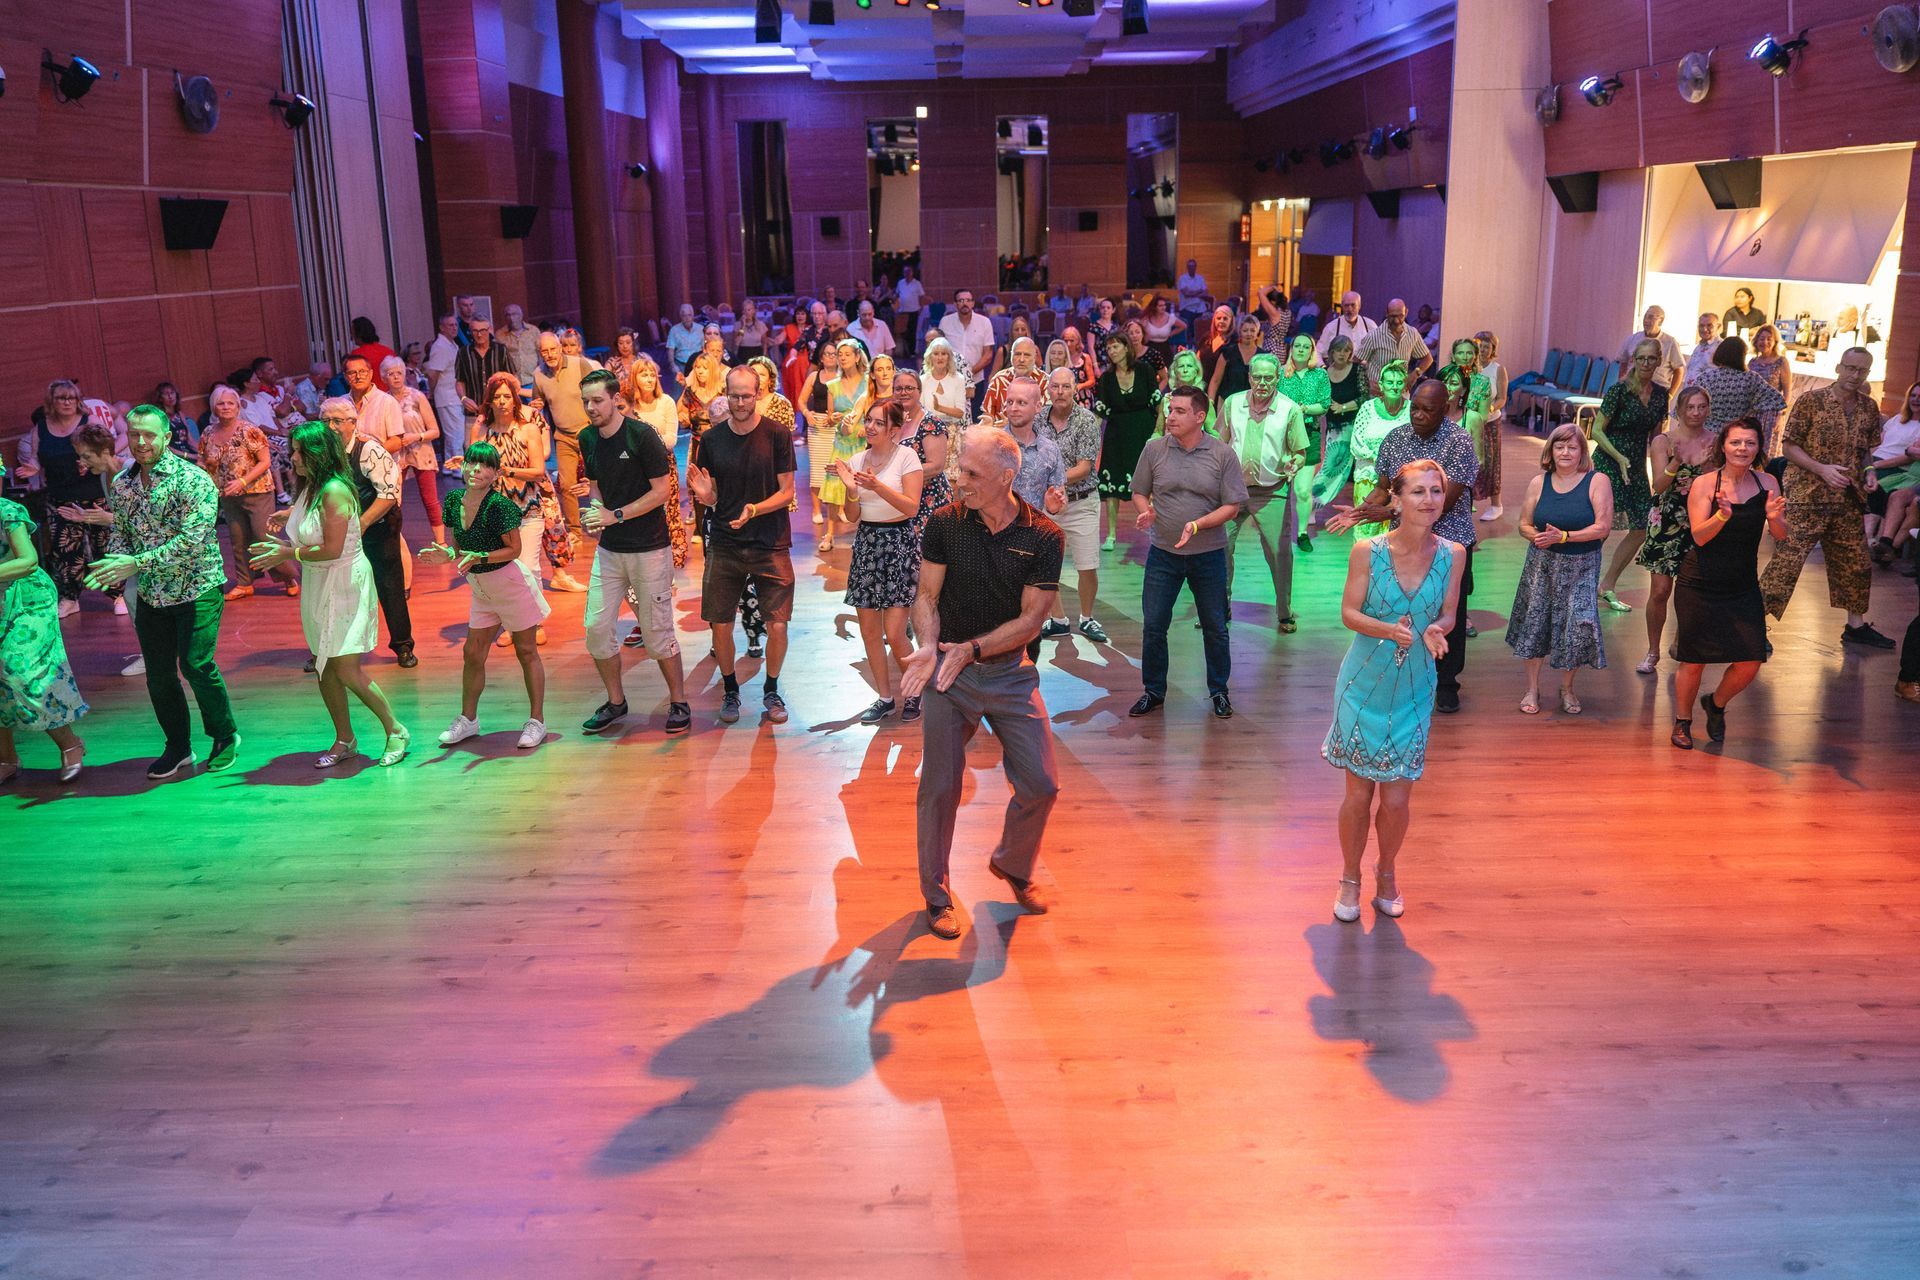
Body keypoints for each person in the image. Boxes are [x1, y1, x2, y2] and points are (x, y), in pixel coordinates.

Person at [902, 426, 1064, 941]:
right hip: (948, 673)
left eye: (971, 472)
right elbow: (926, 597)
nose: (959, 479)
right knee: (939, 788)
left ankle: (1013, 864)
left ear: (1006, 476)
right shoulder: (945, 523)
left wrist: (973, 648)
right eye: (959, 469)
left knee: (1041, 783)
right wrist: (929, 645)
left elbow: (1031, 621)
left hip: (1009, 672)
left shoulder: (1043, 536)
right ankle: (936, 896)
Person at [1323, 459, 1464, 922]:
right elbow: (1349, 613)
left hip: (1415, 687)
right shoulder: (1367, 550)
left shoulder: (1453, 554)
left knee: (1398, 799)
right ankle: (1349, 877)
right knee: (1358, 796)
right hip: (1363, 685)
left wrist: (1438, 629)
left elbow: (1448, 613)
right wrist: (1389, 630)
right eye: (1418, 492)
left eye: (1436, 491)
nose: (1429, 500)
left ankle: (1386, 872)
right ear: (1397, 500)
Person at [87, 405, 240, 779]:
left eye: (149, 434)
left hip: (197, 587)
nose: (141, 442)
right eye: (134, 434)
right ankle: (178, 747)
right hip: (152, 593)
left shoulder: (193, 480)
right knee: (158, 675)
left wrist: (135, 563)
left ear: (167, 437)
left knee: (195, 664)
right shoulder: (123, 484)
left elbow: (191, 541)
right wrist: (113, 563)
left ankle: (224, 735)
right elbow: (122, 531)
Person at [247, 423, 408, 767]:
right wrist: (288, 528)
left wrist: (288, 554)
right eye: (293, 450)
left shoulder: (334, 490)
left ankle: (396, 729)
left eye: (299, 452)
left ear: (318, 454)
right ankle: (344, 738)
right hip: (319, 582)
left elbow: (333, 549)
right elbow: (314, 534)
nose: (293, 458)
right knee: (325, 668)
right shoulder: (311, 487)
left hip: (344, 583)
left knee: (346, 669)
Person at [1328, 379, 1478, 713]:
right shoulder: (1396, 438)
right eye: (1415, 409)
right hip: (1406, 541)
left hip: (1449, 539)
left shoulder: (1458, 441)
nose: (1419, 416)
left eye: (1428, 410)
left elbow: (1443, 502)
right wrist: (1360, 511)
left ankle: (1447, 683)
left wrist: (1388, 512)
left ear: (1445, 409)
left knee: (1448, 612)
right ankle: (1404, 672)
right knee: (1407, 606)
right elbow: (1384, 489)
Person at [571, 371, 690, 738]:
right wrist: (595, 513)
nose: (591, 408)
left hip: (650, 549)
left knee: (657, 634)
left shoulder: (642, 436)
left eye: (597, 400)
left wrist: (616, 515)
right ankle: (616, 702)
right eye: (586, 401)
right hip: (610, 551)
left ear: (615, 399)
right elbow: (595, 487)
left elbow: (662, 491)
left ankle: (679, 702)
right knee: (595, 629)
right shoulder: (587, 437)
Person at [1760, 347, 1895, 648]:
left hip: (1847, 496)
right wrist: (1820, 468)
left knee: (1855, 562)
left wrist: (1869, 470)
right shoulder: (1812, 401)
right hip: (1808, 494)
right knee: (1788, 561)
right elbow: (1789, 446)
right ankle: (1755, 623)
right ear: (1838, 367)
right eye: (1850, 368)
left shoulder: (1868, 407)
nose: (1854, 375)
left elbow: (1865, 450)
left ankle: (1855, 625)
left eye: (1861, 370)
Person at [686, 366, 799, 726]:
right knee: (719, 623)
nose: (739, 402)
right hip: (725, 541)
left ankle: (772, 689)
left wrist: (754, 510)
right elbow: (712, 495)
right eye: (733, 395)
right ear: (726, 393)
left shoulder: (777, 434)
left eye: (746, 396)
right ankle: (731, 689)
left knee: (777, 625)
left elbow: (787, 492)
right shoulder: (712, 440)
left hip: (770, 541)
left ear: (758, 394)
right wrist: (708, 497)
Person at [1130, 384, 1251, 720]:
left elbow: (1232, 506)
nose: (1171, 417)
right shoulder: (1154, 449)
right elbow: (1139, 491)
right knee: (1154, 625)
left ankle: (1219, 691)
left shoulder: (1222, 454)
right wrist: (1145, 511)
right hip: (1163, 553)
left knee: (1215, 626)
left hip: (1209, 555)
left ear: (1200, 417)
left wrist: (1197, 525)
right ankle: (1153, 691)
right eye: (1170, 410)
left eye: (1180, 411)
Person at [421, 443, 549, 750]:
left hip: (510, 585)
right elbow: (457, 546)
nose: (476, 470)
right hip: (481, 588)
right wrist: (447, 555)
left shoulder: (500, 506)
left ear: (495, 474)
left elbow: (514, 550)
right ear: (462, 466)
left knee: (526, 651)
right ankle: (468, 720)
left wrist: (481, 557)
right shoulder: (454, 500)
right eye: (471, 463)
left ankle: (537, 722)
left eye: (485, 466)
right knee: (473, 653)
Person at [1670, 420, 1788, 749]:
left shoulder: (1768, 482)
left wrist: (1774, 517)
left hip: (1742, 583)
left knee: (1751, 659)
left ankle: (1716, 703)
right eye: (1736, 442)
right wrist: (1722, 515)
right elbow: (1699, 537)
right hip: (1700, 583)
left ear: (1759, 447)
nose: (1742, 449)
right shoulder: (1706, 484)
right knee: (1693, 659)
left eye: (1750, 443)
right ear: (1723, 446)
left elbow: (1781, 536)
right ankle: (1682, 722)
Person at [1507, 423, 1612, 715]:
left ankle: (1567, 687)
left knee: (1577, 625)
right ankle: (1532, 688)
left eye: (1572, 447)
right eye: (1560, 446)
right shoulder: (1539, 482)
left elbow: (1602, 527)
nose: (1565, 452)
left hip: (1582, 565)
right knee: (1535, 624)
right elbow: (1524, 524)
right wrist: (1538, 537)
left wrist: (1565, 537)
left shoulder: (1597, 481)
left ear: (1582, 452)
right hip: (1543, 564)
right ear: (1551, 451)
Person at [0, 453, 88, 784]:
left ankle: (71, 744)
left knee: (23, 671)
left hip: (28, 599)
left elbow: (28, 561)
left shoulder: (8, 512)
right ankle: (6, 757)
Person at [836, 399, 925, 724]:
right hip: (867, 544)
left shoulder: (907, 457)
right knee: (870, 631)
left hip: (899, 543)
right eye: (869, 421)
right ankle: (885, 698)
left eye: (878, 422)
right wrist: (852, 490)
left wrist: (877, 485)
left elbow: (911, 507)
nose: (870, 427)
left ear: (894, 430)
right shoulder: (857, 460)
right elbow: (852, 516)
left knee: (895, 632)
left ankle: (915, 692)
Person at [316, 397, 416, 669]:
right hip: (339, 530)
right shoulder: (320, 452)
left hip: (378, 526)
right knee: (334, 589)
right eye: (326, 421)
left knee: (389, 585)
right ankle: (328, 649)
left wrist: (361, 524)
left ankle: (403, 646)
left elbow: (388, 494)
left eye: (337, 421)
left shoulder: (370, 450)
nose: (331, 427)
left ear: (353, 423)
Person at [17, 381, 124, 618]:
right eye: (61, 398)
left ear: (78, 401)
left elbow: (107, 448)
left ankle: (118, 594)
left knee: (104, 547)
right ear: (52, 402)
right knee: (65, 551)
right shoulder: (41, 428)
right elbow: (35, 458)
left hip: (94, 494)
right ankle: (70, 598)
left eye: (71, 398)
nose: (67, 403)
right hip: (60, 498)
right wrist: (33, 467)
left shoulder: (90, 421)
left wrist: (95, 462)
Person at [1219, 353, 1308, 635]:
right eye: (1257, 377)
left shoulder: (1290, 409)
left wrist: (1295, 462)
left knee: (1279, 553)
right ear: (1249, 377)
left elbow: (1300, 452)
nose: (1262, 383)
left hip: (1272, 491)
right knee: (1220, 547)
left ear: (1278, 378)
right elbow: (1219, 443)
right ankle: (1219, 608)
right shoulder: (1233, 403)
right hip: (1232, 490)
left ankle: (1285, 612)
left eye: (1269, 377)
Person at [1633, 384, 1718, 675]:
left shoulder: (1715, 442)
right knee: (1660, 591)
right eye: (1690, 407)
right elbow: (1658, 485)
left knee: (1691, 591)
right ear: (1679, 410)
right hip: (1667, 519)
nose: (1696, 413)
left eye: (1702, 407)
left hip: (1700, 521)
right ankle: (1652, 650)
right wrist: (1677, 461)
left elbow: (1716, 485)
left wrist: (1709, 465)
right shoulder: (1664, 441)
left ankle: (1682, 643)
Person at [465, 370, 553, 643]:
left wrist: (506, 470)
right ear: (489, 402)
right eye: (497, 397)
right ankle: (511, 624)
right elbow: (474, 471)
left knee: (528, 566)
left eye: (507, 396)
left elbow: (538, 471)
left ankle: (534, 623)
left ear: (515, 400)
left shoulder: (528, 429)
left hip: (527, 508)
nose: (502, 401)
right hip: (495, 514)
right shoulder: (482, 432)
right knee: (503, 570)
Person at [198, 385, 299, 601]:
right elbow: (203, 460)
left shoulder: (249, 430)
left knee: (263, 536)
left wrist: (242, 481)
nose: (226, 407)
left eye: (230, 403)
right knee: (239, 539)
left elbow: (265, 462)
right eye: (221, 403)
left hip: (257, 491)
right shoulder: (208, 432)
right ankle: (245, 583)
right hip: (228, 494)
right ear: (214, 407)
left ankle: (288, 577)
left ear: (237, 407)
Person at [1590, 338, 1667, 613]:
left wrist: (1661, 473)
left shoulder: (1661, 395)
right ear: (1634, 360)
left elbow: (1657, 438)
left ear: (1659, 361)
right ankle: (1582, 584)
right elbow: (1596, 430)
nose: (1645, 363)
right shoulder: (1619, 390)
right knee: (1600, 527)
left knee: (1640, 527)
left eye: (1651, 358)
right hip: (1609, 462)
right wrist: (1618, 457)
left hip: (1635, 466)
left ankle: (1607, 584)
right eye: (1641, 358)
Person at [1036, 366, 1107, 644]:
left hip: (1081, 500)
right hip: (1046, 503)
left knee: (1087, 565)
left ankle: (1087, 618)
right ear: (1048, 389)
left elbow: (1085, 467)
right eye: (1055, 386)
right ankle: (1058, 619)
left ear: (1075, 389)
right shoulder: (1038, 418)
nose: (1060, 392)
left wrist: (1053, 479)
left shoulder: (1086, 420)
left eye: (1066, 386)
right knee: (1046, 564)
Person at [532, 330, 595, 589]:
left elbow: (598, 392)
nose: (549, 355)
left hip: (589, 431)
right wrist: (536, 406)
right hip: (563, 436)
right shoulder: (539, 375)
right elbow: (538, 402)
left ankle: (609, 521)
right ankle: (575, 531)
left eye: (552, 349)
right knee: (567, 484)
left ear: (560, 348)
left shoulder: (580, 364)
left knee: (599, 480)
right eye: (544, 351)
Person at [1093, 333, 1165, 551]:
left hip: (1143, 432)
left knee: (1149, 483)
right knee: (1111, 484)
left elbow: (1158, 403)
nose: (1112, 351)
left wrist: (1158, 431)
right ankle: (1111, 534)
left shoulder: (1145, 370)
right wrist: (1089, 436)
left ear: (1126, 347)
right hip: (1116, 434)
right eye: (1109, 348)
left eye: (1115, 346)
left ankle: (1155, 530)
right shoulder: (1106, 378)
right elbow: (1099, 412)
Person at [377, 355, 445, 547]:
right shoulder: (383, 401)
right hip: (397, 454)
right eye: (391, 374)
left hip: (421, 451)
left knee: (430, 498)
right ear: (384, 377)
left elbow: (435, 431)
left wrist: (416, 436)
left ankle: (441, 542)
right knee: (393, 498)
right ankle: (393, 541)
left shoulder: (417, 397)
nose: (396, 377)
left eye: (399, 373)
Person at [1342, 360, 1413, 531]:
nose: (1394, 387)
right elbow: (1356, 443)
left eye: (1399, 382)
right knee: (1365, 529)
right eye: (1390, 382)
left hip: (1400, 481)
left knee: (1394, 532)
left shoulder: (1411, 409)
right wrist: (1378, 459)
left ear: (1405, 385)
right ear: (1381, 385)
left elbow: (1414, 444)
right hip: (1368, 477)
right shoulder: (1368, 408)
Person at [1277, 333, 1332, 543]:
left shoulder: (1319, 375)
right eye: (1297, 346)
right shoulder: (1281, 373)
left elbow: (1324, 404)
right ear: (1291, 349)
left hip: (1309, 434)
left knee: (1302, 490)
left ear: (1311, 351)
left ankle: (1302, 533)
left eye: (1305, 346)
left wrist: (1304, 409)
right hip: (1282, 435)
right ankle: (1278, 532)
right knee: (1280, 490)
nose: (1300, 349)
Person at [1313, 336, 1368, 509]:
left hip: (1356, 427)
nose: (1342, 354)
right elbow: (1321, 400)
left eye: (1346, 351)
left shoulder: (1357, 370)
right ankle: (1313, 501)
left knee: (1361, 471)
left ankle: (1363, 509)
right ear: (1331, 352)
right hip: (1334, 428)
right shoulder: (1324, 374)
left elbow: (1365, 397)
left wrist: (1343, 407)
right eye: (1338, 350)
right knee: (1331, 468)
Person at [1690, 336, 1787, 435]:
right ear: (1742, 356)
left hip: (1708, 432)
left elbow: (1690, 401)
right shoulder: (1751, 378)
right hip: (1737, 432)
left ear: (1720, 353)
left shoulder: (1706, 377)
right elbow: (1777, 400)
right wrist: (1752, 411)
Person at [938, 290, 998, 417]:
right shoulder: (945, 322)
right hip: (950, 380)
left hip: (976, 380)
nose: (964, 303)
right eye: (960, 300)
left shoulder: (984, 322)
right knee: (951, 418)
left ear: (973, 303)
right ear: (955, 304)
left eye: (968, 300)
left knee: (975, 419)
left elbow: (988, 355)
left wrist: (968, 372)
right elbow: (940, 350)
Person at [1354, 298, 1433, 393]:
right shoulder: (1374, 336)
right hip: (1378, 395)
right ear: (1386, 313)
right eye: (1392, 316)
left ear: (1406, 313)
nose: (1396, 321)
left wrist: (1415, 374)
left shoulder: (1412, 333)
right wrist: (1366, 382)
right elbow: (1354, 363)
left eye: (1400, 316)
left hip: (1401, 394)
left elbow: (1428, 359)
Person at [424, 314, 466, 470]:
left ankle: (449, 467)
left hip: (453, 396)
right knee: (457, 434)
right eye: (450, 325)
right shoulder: (440, 347)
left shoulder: (451, 344)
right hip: (446, 396)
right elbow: (433, 374)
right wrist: (431, 392)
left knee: (453, 435)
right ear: (442, 328)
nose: (454, 328)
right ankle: (457, 468)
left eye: (455, 325)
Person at [1617, 306, 1684, 391]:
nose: (1646, 320)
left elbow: (1679, 371)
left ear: (1661, 321)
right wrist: (1621, 387)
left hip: (1658, 391)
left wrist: (1670, 395)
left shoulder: (1670, 342)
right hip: (1632, 389)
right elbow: (1623, 364)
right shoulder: (1632, 339)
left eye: (1651, 317)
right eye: (1645, 316)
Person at [981, 336, 1044, 422]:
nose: (1021, 359)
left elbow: (1046, 421)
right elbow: (987, 416)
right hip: (1000, 430)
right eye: (1017, 354)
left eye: (1027, 355)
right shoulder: (999, 380)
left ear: (1034, 357)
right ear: (1011, 356)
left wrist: (1010, 426)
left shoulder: (1045, 382)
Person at [1207, 312, 1264, 407]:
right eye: (1245, 330)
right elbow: (1215, 380)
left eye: (1252, 330)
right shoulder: (1227, 352)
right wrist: (1210, 403)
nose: (1249, 334)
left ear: (1257, 333)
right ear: (1239, 332)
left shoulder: (1263, 356)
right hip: (1227, 404)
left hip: (1253, 406)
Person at [919, 336, 970, 422]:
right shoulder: (922, 380)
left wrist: (939, 408)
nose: (940, 358)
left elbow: (960, 413)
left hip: (953, 426)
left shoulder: (958, 379)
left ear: (949, 357)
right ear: (930, 357)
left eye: (943, 354)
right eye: (936, 354)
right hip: (928, 426)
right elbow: (920, 410)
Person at [1316, 291, 1376, 359]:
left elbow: (1379, 350)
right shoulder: (1331, 328)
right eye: (1346, 305)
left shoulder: (1370, 325)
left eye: (1353, 305)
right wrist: (1323, 365)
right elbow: (1318, 353)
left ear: (1359, 306)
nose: (1349, 309)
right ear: (1342, 306)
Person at [1677, 312, 1722, 393]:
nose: (1704, 329)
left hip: (1706, 397)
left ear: (1718, 327)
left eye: (1709, 325)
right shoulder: (1698, 347)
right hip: (1690, 395)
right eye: (1701, 325)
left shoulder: (1721, 347)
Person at [500, 303, 541, 380]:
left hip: (533, 379)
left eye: (514, 314)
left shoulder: (533, 331)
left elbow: (540, 353)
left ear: (521, 315)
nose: (511, 318)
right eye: (508, 315)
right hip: (512, 380)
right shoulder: (500, 335)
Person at [893, 266, 925, 355]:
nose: (907, 273)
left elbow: (921, 296)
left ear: (912, 272)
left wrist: (921, 307)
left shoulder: (917, 283)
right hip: (902, 311)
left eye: (909, 271)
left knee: (912, 331)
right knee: (903, 331)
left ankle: (912, 352)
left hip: (914, 311)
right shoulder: (900, 283)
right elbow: (897, 295)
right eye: (905, 272)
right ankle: (904, 351)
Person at [664, 304, 704, 374]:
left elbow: (705, 348)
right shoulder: (674, 330)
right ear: (681, 317)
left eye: (689, 315)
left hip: (698, 364)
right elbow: (670, 350)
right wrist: (672, 365)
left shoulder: (700, 329)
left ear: (693, 316)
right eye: (684, 316)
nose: (687, 318)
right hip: (681, 364)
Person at [1175, 258, 1209, 324]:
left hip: (1200, 309)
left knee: (1200, 329)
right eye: (1189, 266)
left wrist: (1192, 293)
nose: (1191, 268)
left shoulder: (1200, 278)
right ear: (1187, 267)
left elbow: (1206, 293)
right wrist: (1199, 291)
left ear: (1195, 267)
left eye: (1193, 266)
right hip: (1187, 309)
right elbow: (1186, 294)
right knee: (1188, 330)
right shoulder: (1182, 278)